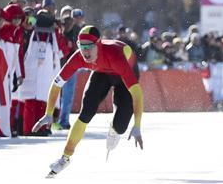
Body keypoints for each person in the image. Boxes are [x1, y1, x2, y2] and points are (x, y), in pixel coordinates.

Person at [33, 25, 144, 178]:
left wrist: (137, 124)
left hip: (123, 72)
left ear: (98, 45)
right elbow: (57, 83)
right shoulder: (79, 57)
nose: (85, 52)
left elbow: (137, 93)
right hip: (101, 73)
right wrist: (49, 112)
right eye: (81, 46)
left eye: (89, 47)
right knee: (86, 113)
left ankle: (115, 128)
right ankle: (65, 158)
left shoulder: (115, 56)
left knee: (120, 126)